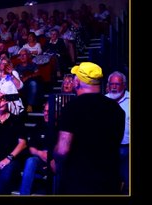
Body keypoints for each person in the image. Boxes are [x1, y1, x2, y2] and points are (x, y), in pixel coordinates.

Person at [53, 62, 125, 194]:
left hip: (79, 181)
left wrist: (55, 159)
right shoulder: (117, 109)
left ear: (77, 82)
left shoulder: (72, 108)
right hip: (109, 181)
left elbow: (63, 149)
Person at [19, 102, 53, 195]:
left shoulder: (61, 127)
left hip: (55, 160)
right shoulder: (39, 126)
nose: (46, 113)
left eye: (49, 111)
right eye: (45, 111)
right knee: (31, 160)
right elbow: (31, 148)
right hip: (40, 159)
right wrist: (40, 153)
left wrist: (51, 158)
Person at [105, 71, 130, 195]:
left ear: (124, 85)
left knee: (127, 180)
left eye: (117, 84)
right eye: (111, 84)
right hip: (106, 147)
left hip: (126, 146)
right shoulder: (103, 100)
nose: (114, 87)